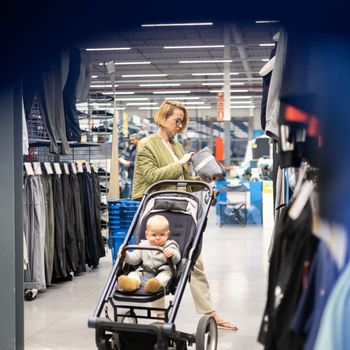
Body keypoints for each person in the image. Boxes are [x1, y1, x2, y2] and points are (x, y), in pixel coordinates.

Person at [131, 100, 238, 330]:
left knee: (193, 260)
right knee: (155, 261)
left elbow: (184, 182)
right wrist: (180, 164)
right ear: (163, 117)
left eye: (182, 121)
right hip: (157, 212)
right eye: (176, 120)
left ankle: (211, 312)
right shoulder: (147, 145)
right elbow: (151, 177)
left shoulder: (177, 145)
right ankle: (159, 316)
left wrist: (205, 183)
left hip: (180, 212)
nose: (180, 125)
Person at [117, 215, 181, 294]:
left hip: (162, 271)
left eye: (162, 235)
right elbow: (135, 259)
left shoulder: (170, 245)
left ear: (167, 235)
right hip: (144, 271)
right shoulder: (143, 245)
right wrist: (125, 255)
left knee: (164, 276)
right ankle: (132, 284)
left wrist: (172, 254)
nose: (158, 238)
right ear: (147, 235)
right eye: (154, 235)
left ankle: (154, 286)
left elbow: (177, 259)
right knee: (133, 274)